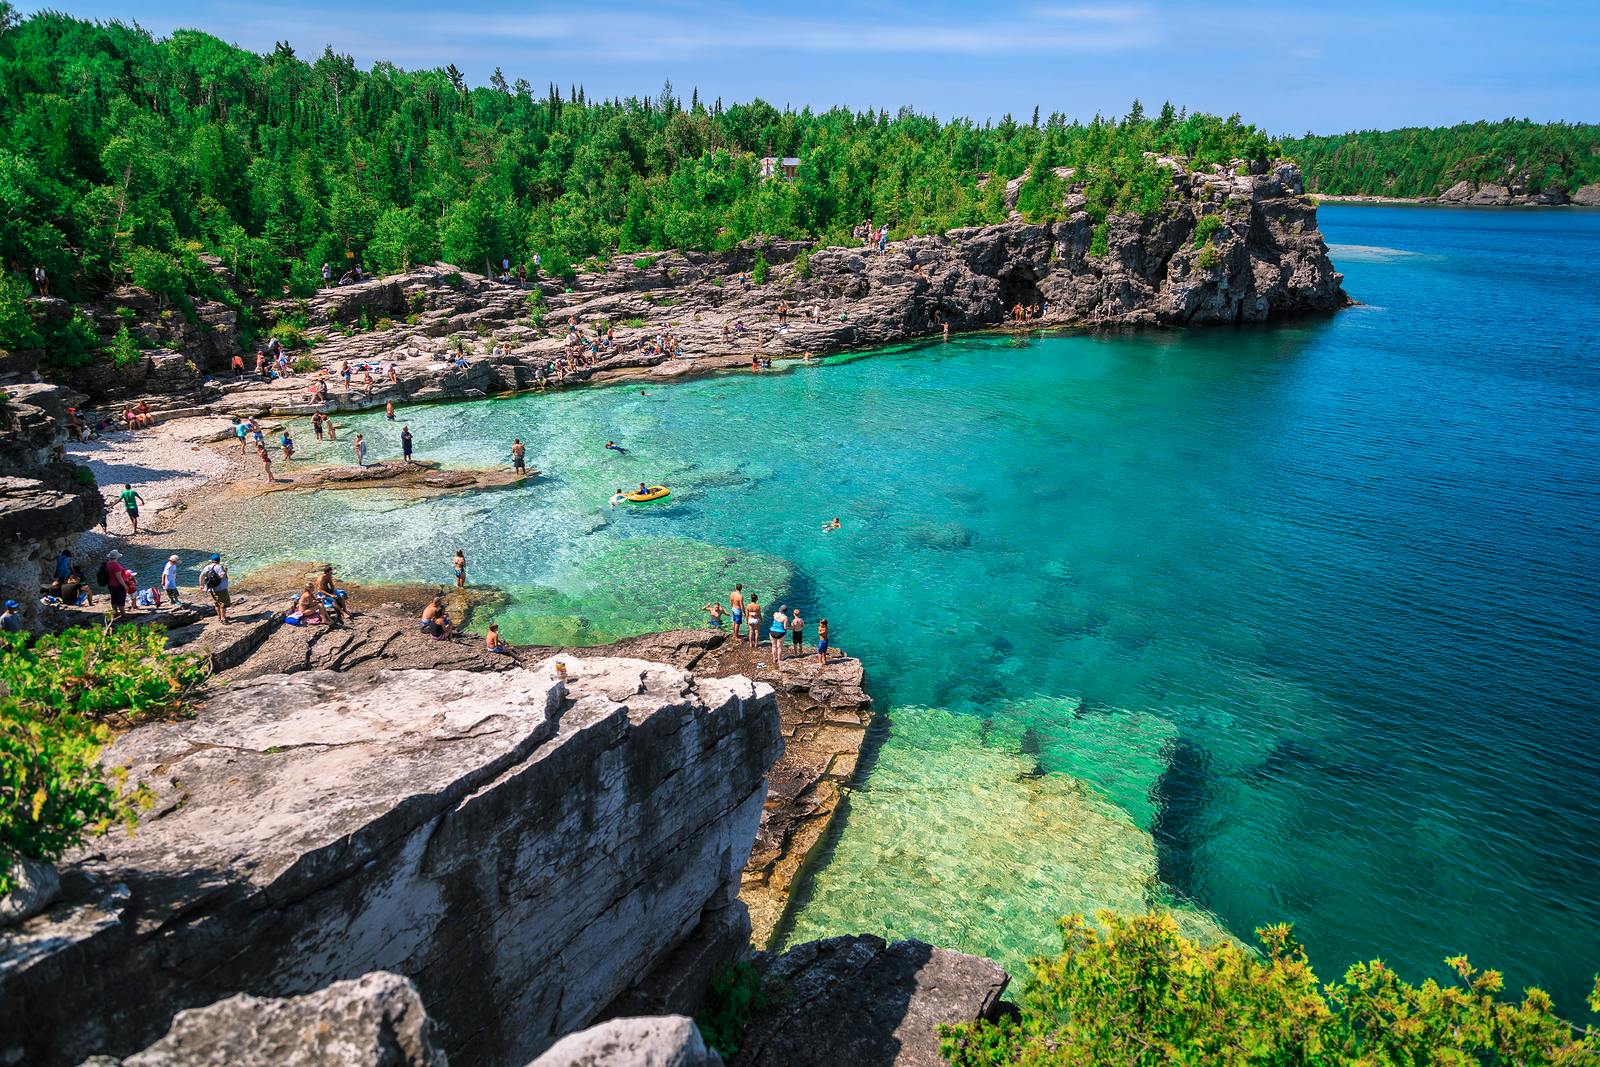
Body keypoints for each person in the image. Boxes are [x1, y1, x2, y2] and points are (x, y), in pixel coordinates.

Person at [104, 550, 136, 620]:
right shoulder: (116, 566)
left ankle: (115, 612)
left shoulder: (107, 564)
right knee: (121, 599)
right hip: (118, 585)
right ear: (116, 557)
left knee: (114, 598)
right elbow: (119, 577)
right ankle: (123, 614)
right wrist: (125, 586)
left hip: (110, 584)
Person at [199, 553, 230, 623]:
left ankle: (219, 617)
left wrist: (201, 585)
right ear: (219, 560)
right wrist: (225, 571)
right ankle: (223, 618)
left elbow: (201, 576)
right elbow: (221, 576)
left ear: (212, 560)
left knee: (217, 603)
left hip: (211, 588)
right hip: (221, 589)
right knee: (223, 604)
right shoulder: (219, 567)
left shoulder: (207, 567)